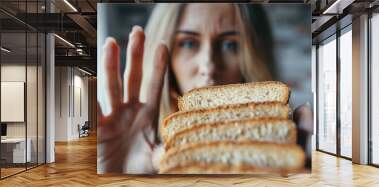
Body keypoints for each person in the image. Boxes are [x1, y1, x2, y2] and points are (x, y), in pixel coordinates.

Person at [97, 3, 313, 174]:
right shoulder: (143, 156)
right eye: (189, 43)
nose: (208, 66)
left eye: (230, 45)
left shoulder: (291, 144)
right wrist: (121, 178)